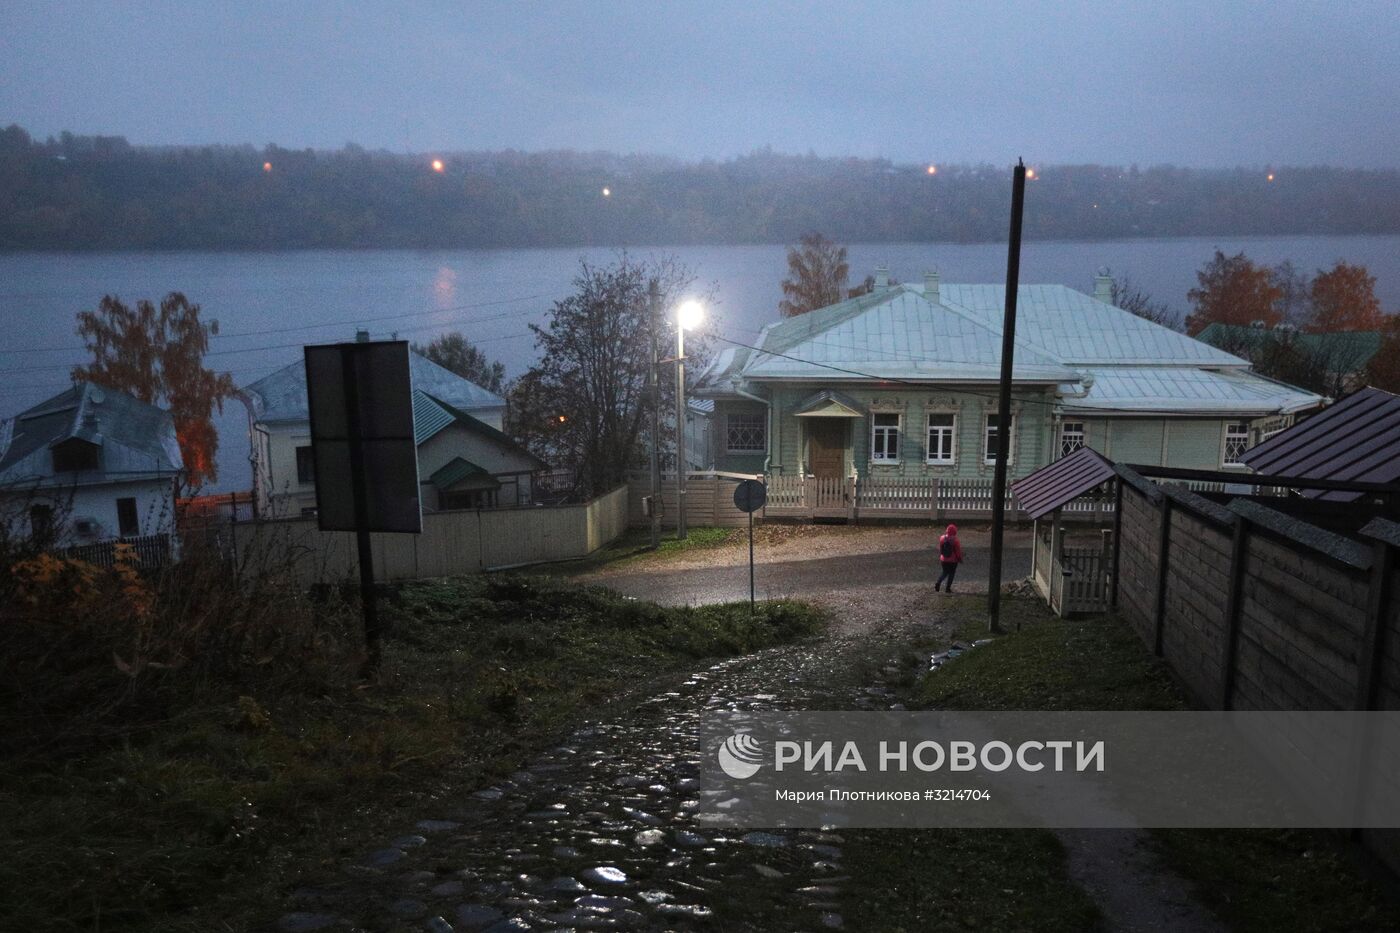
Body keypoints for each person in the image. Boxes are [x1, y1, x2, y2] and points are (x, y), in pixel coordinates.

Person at [935, 523, 962, 592]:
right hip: (953, 561)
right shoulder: (955, 540)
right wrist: (960, 559)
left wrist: (942, 555)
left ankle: (938, 582)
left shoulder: (942, 538)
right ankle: (948, 588)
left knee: (944, 572)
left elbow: (941, 548)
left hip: (943, 559)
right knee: (951, 573)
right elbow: (958, 551)